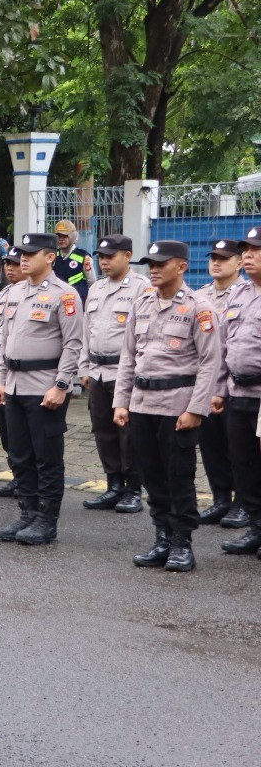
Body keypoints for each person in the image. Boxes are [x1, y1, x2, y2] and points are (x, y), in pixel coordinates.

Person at [114, 241, 221, 572]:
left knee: (179, 476)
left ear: (182, 266)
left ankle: (181, 544)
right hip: (143, 404)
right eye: (150, 263)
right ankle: (162, 537)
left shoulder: (198, 307)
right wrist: (121, 401)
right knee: (151, 476)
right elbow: (128, 356)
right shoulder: (141, 304)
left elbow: (209, 363)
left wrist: (195, 409)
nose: (154, 269)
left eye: (161, 263)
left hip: (177, 406)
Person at [0, 231, 85, 546]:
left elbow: (74, 345)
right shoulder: (13, 293)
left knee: (46, 455)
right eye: (22, 254)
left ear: (49, 257)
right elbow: (4, 341)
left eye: (31, 254)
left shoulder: (65, 295)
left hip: (44, 386)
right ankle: (28, 512)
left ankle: (47, 520)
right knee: (19, 454)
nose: (23, 259)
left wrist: (62, 385)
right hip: (15, 386)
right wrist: (1, 380)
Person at [79, 234, 150, 513]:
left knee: (127, 432)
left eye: (110, 256)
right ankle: (113, 485)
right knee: (103, 430)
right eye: (101, 257)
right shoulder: (96, 288)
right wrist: (84, 367)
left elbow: (145, 335)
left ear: (128, 256)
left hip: (124, 371)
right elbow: (87, 330)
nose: (104, 261)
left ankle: (133, 488)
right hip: (97, 371)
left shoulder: (141, 288)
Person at [215, 229, 261, 554]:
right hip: (237, 394)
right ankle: (256, 528)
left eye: (256, 250)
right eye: (246, 249)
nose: (248, 255)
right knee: (243, 465)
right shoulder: (239, 294)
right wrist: (218, 390)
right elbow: (222, 347)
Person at [196, 241, 246, 526]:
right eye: (213, 258)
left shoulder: (244, 294)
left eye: (223, 259)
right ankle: (220, 499)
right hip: (205, 383)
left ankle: (242, 502)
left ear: (238, 264)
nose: (216, 263)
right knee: (210, 444)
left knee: (237, 447)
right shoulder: (199, 295)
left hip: (234, 383)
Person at [0, 248, 25, 498]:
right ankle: (17, 474)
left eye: (16, 264)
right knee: (6, 427)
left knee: (24, 431)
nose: (10, 268)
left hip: (27, 375)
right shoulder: (2, 296)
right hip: (4, 371)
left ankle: (30, 478)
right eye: (7, 264)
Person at [53, 220, 94, 302]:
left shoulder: (83, 257)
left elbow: (92, 282)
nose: (61, 239)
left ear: (72, 236)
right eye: (58, 236)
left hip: (77, 300)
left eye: (64, 236)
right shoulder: (53, 255)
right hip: (56, 299)